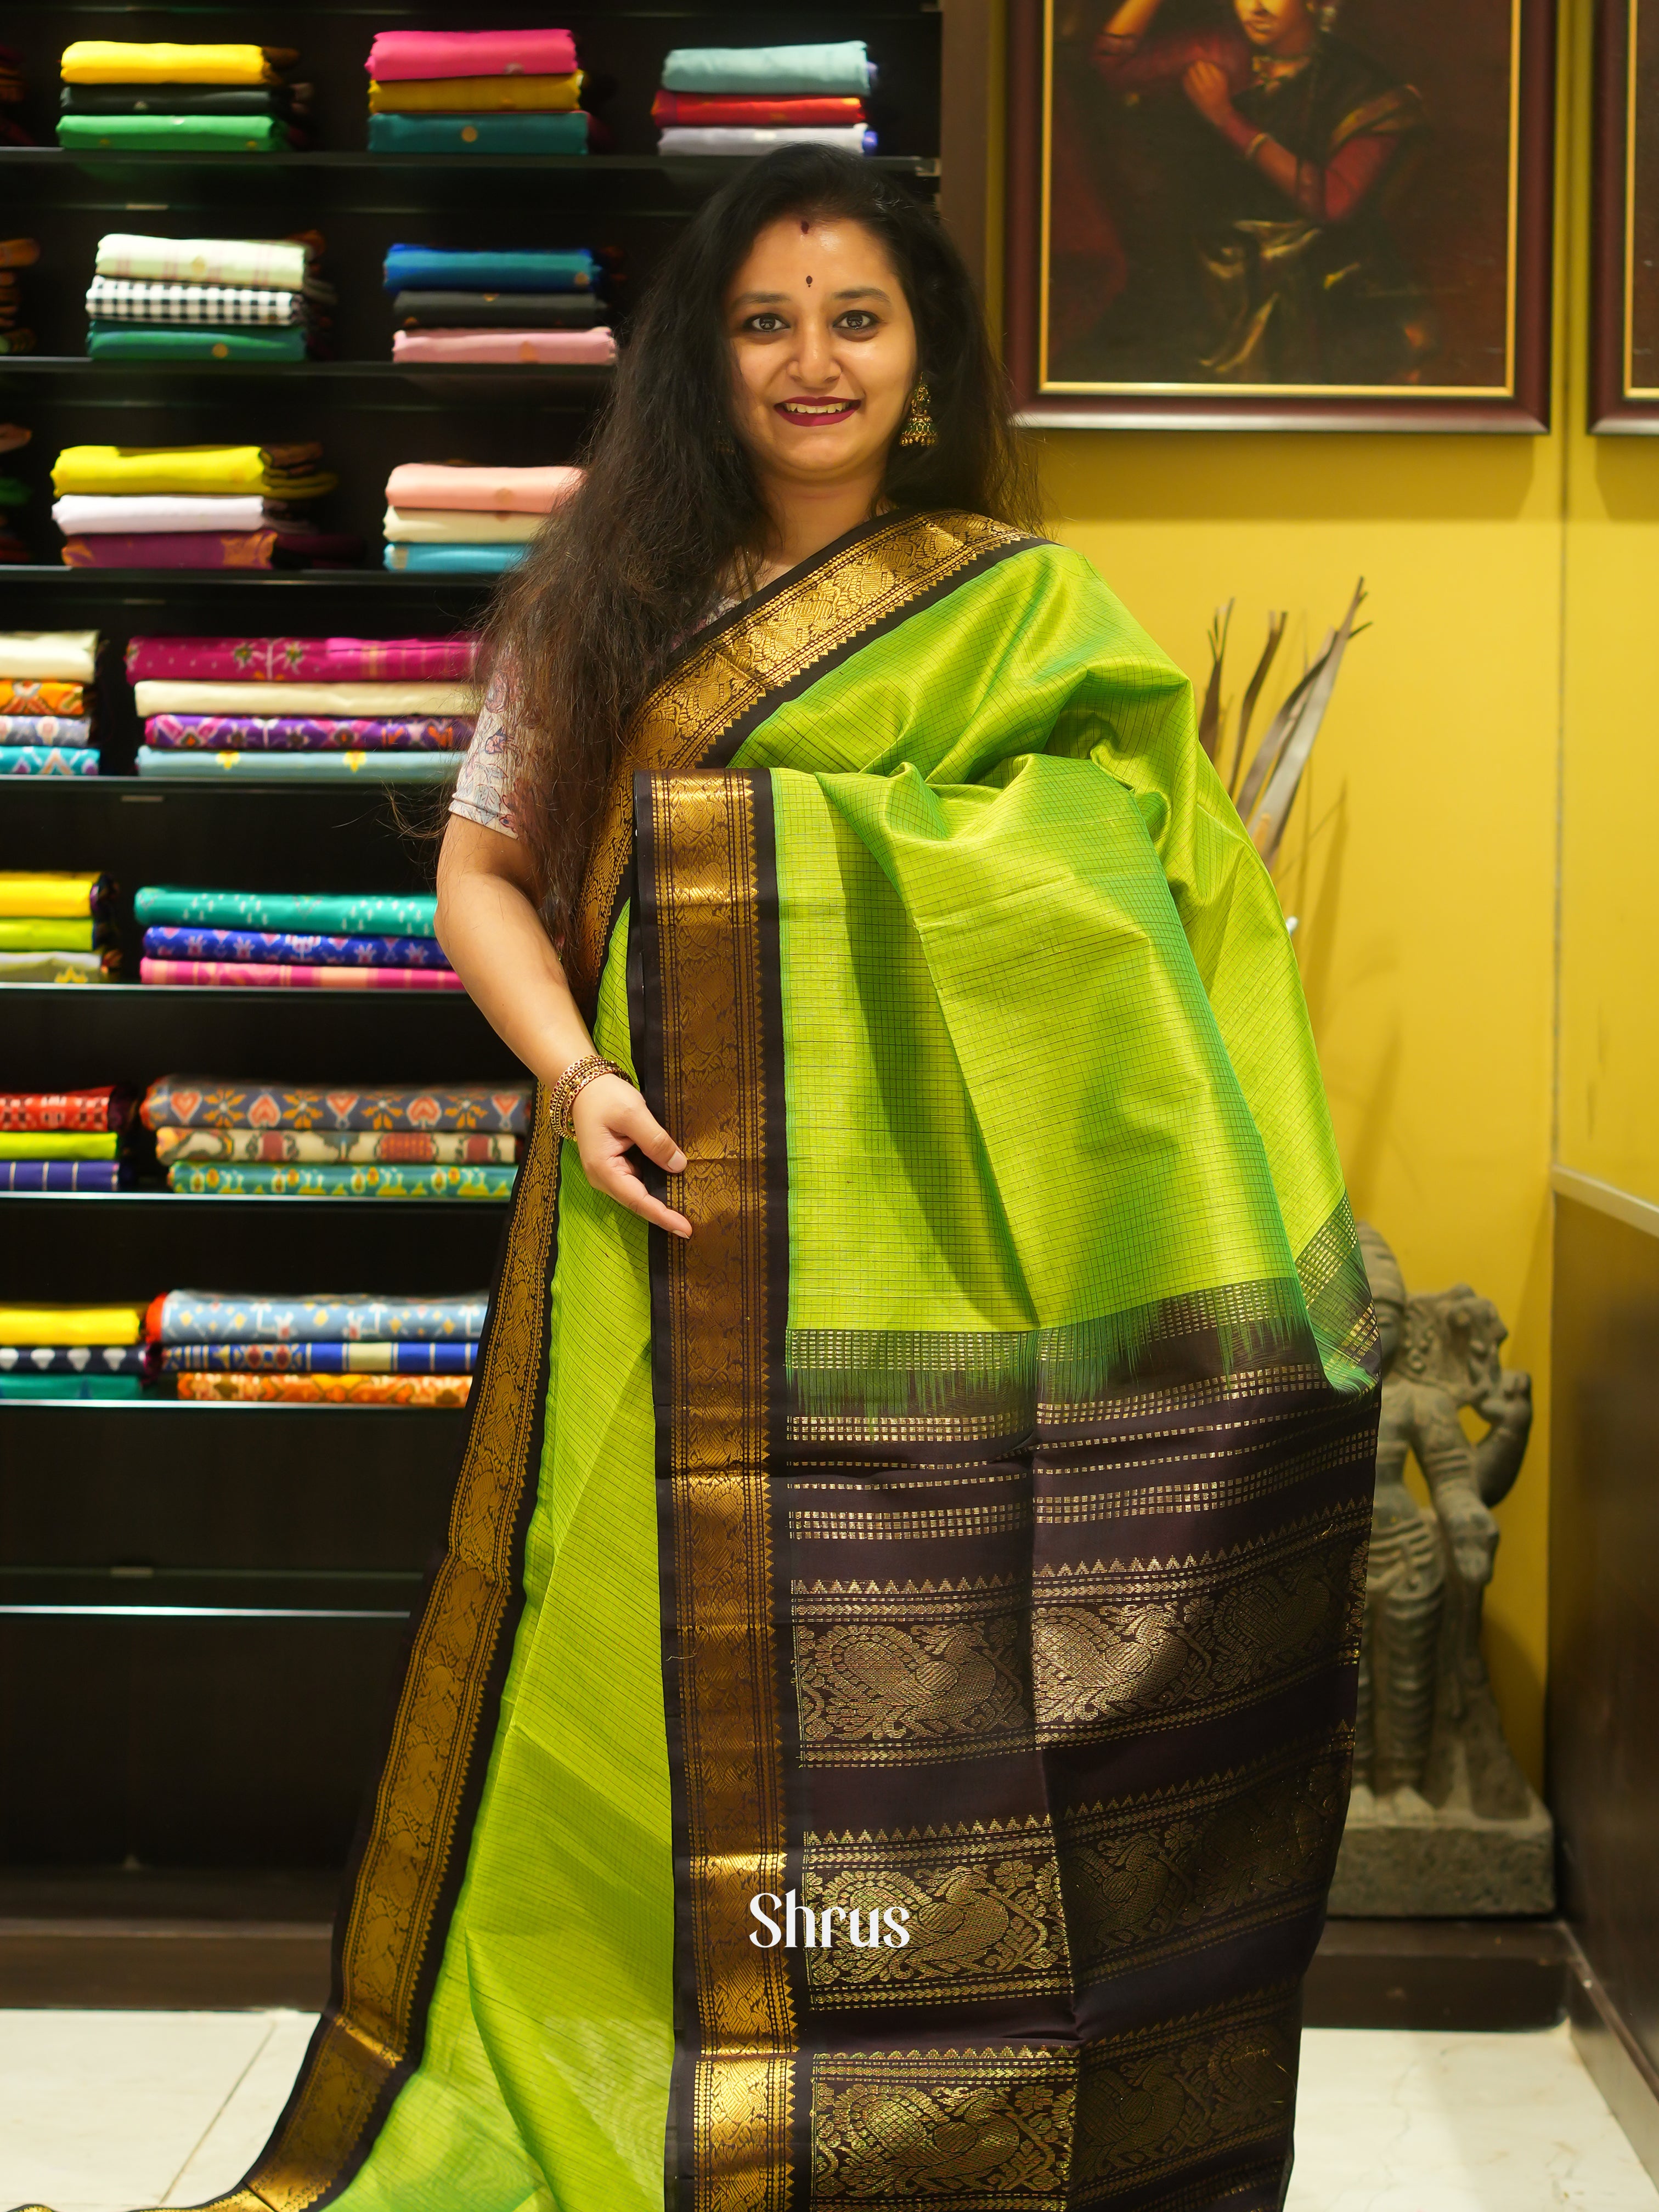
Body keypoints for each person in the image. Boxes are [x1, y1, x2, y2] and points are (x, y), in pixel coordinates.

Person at [50, 147, 1378, 2212]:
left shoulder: (1019, 610)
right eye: (764, 318)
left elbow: (1137, 897)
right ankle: (658, 2079)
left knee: (937, 1704)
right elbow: (480, 871)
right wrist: (575, 1067)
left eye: (855, 315)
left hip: (945, 1285)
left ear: (921, 351)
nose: (812, 359)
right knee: (636, 1693)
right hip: (655, 1229)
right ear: (704, 353)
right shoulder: (608, 597)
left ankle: (909, 2102)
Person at [1067, 0, 1430, 384]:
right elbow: (1110, 65)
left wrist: (1226, 119)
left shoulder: (1366, 88)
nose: (1254, 8)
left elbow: (1331, 201)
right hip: (1209, 272)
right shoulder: (1221, 49)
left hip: (1312, 280)